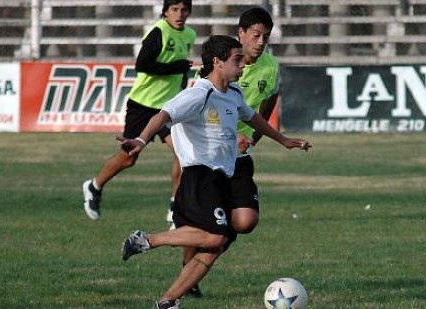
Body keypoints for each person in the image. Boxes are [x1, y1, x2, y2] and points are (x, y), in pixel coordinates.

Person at [117, 35, 311, 309]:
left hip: (222, 177)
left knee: (212, 249)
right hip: (199, 175)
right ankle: (146, 240)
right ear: (217, 63)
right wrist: (140, 140)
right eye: (237, 59)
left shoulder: (232, 94)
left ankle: (167, 302)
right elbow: (162, 116)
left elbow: (252, 117)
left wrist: (284, 140)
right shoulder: (199, 93)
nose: (243, 64)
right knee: (214, 236)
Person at [179, 7, 280, 298]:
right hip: (209, 154)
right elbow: (196, 109)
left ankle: (203, 251)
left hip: (239, 156)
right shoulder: (218, 67)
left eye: (266, 37)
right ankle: (189, 272)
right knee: (203, 220)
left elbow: (268, 102)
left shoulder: (271, 67)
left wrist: (255, 137)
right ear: (241, 34)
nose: (261, 42)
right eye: (256, 35)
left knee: (244, 222)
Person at [82, 0, 196, 220]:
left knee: (183, 153)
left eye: (184, 10)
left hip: (167, 108)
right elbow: (142, 64)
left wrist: (182, 86)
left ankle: (175, 208)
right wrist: (178, 67)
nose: (179, 14)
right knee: (129, 158)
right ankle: (94, 187)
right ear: (165, 11)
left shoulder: (189, 34)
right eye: (174, 9)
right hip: (142, 105)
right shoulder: (158, 32)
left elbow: (181, 69)